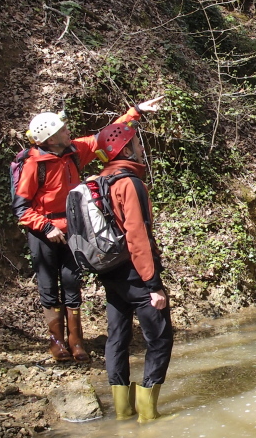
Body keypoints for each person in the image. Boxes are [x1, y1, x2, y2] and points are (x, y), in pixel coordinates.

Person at [12, 97, 165, 362]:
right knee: (49, 287)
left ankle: (77, 342)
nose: (67, 131)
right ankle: (56, 343)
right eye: (61, 130)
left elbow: (106, 138)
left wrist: (135, 112)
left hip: (72, 229)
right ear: (49, 139)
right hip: (44, 231)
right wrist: (46, 227)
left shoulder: (72, 150)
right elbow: (21, 207)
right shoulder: (32, 165)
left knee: (72, 284)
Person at [93, 120, 173, 422]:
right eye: (137, 144)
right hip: (136, 275)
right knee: (160, 339)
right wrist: (153, 284)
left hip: (110, 273)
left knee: (117, 338)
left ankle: (123, 411)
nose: (141, 148)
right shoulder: (129, 183)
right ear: (125, 148)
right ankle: (148, 414)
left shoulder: (100, 181)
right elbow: (137, 235)